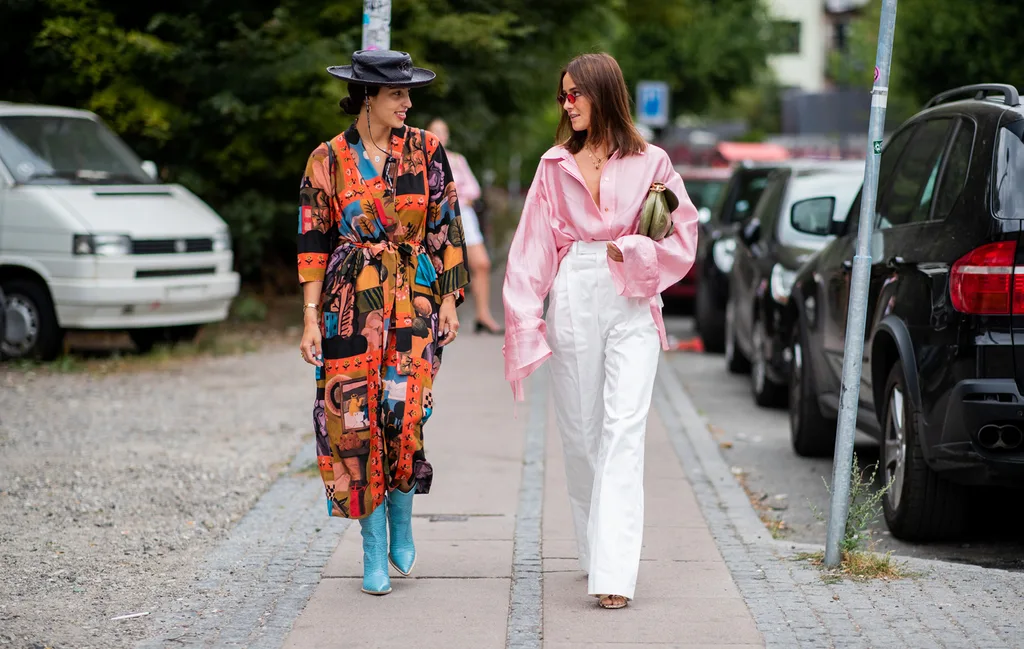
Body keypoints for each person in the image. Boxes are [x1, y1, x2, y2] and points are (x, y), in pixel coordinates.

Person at [501, 53, 699, 609]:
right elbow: (530, 250)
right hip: (574, 287)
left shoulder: (653, 162)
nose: (566, 104)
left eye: (575, 94)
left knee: (623, 429)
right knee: (581, 432)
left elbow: (683, 238)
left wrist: (635, 247)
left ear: (603, 93)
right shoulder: (551, 166)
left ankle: (614, 573)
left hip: (633, 295)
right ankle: (594, 547)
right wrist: (524, 319)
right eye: (562, 95)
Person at [297, 50, 470, 596]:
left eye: (408, 94)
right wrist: (308, 319)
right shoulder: (326, 159)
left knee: (404, 413)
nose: (408, 102)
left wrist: (448, 300)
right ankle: (371, 552)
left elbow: (447, 227)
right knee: (355, 423)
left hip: (413, 302)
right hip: (349, 305)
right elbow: (311, 244)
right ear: (368, 96)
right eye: (398, 94)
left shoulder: (427, 151)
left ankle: (402, 517)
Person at [427, 118, 503, 334]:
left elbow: (474, 190)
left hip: (464, 217)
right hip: (441, 218)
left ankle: (483, 315)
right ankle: (439, 317)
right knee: (441, 266)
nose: (441, 135)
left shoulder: (457, 160)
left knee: (482, 263)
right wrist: (456, 196)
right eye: (436, 131)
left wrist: (455, 196)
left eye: (444, 131)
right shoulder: (424, 159)